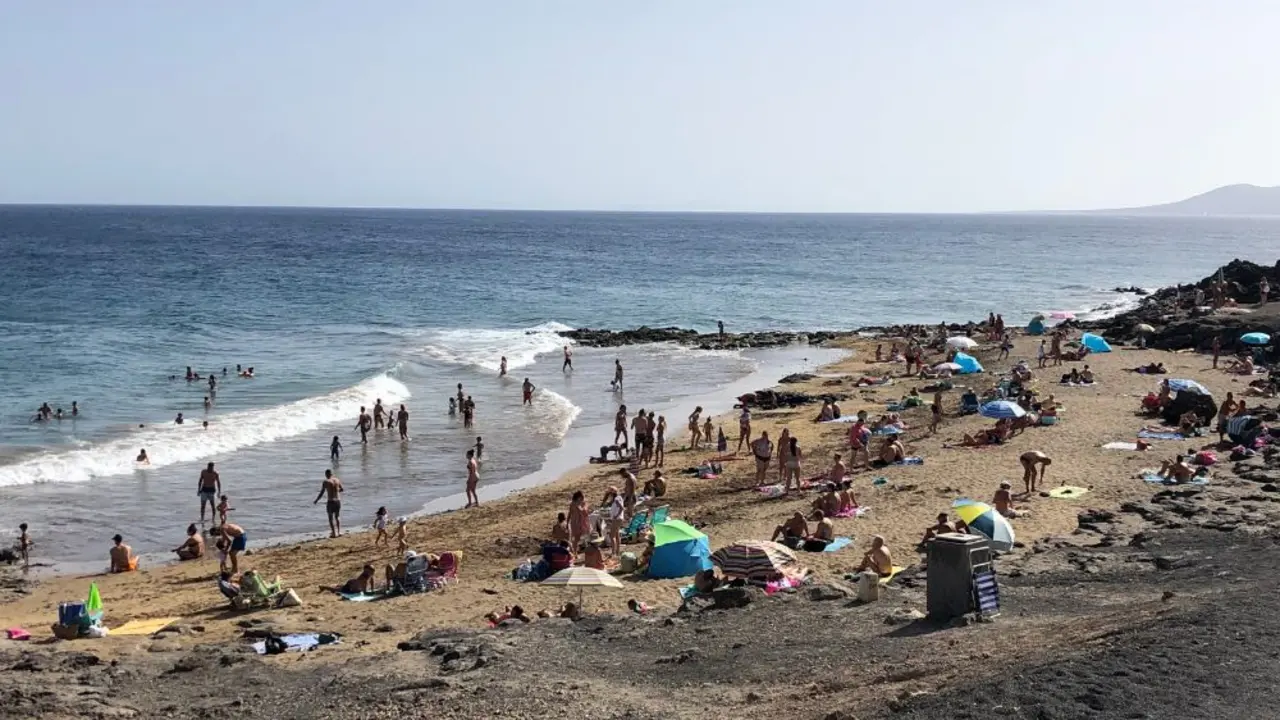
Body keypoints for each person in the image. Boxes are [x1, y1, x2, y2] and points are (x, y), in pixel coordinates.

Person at [314, 469, 344, 538]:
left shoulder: (326, 482)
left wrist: (316, 500)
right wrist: (336, 491)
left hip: (330, 501)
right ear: (332, 474)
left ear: (326, 474)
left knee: (330, 518)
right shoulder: (337, 480)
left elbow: (322, 492)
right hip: (338, 501)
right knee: (337, 517)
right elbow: (342, 489)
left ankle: (334, 533)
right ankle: (339, 532)